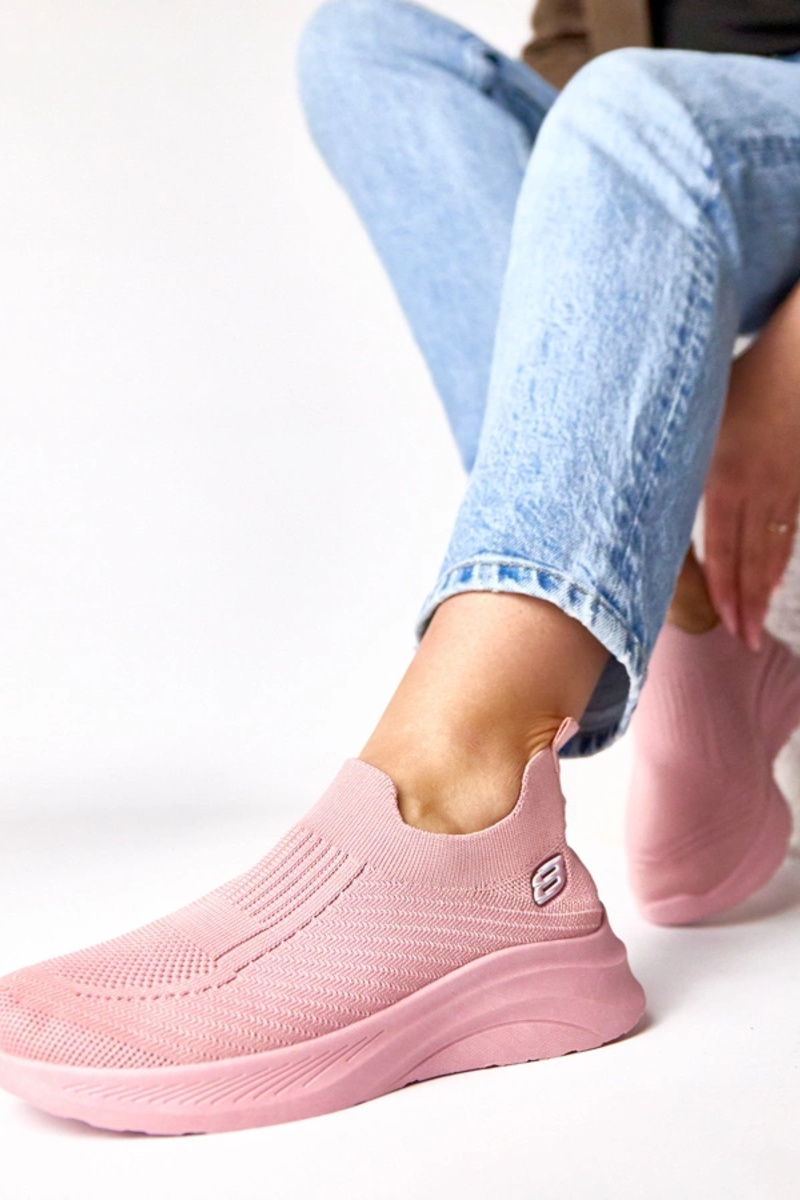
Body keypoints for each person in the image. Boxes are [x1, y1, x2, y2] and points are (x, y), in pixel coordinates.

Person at [1, 0, 799, 1134]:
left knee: (630, 113)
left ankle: (456, 792)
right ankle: (687, 621)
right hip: (661, 134)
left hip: (716, 135)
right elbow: (579, 40)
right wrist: (618, 296)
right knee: (365, 50)